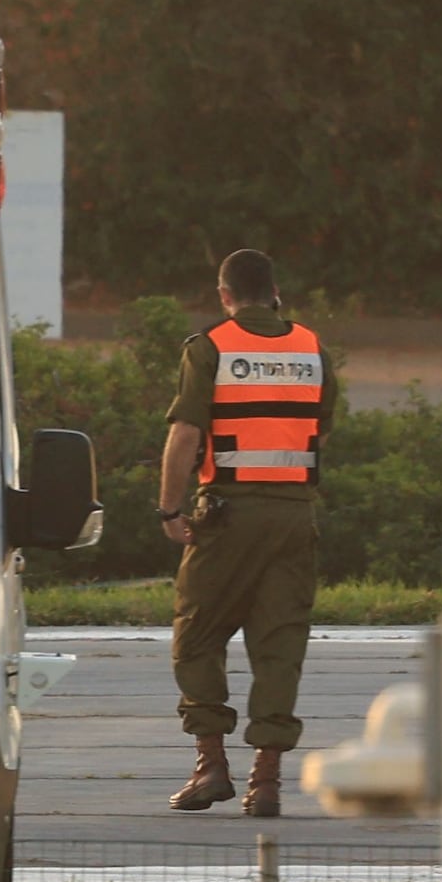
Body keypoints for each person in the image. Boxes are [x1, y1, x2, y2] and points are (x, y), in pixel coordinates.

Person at [159, 248, 328, 818]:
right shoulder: (312, 349)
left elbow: (185, 435)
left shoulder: (210, 346)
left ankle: (211, 766)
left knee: (198, 634)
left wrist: (168, 509)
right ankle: (268, 782)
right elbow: (318, 430)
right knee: (280, 644)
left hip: (228, 514)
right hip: (294, 515)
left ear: (224, 295)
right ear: (274, 292)